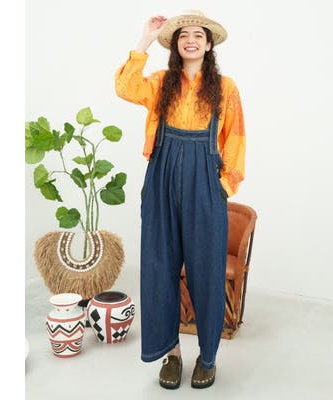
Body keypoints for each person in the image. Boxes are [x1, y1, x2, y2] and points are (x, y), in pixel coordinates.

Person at [115, 10, 246, 389]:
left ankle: (208, 357)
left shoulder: (225, 88)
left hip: (205, 181)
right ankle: (170, 354)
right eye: (183, 35)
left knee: (206, 270)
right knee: (159, 266)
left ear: (208, 44)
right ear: (175, 45)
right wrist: (144, 38)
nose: (190, 40)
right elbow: (125, 87)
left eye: (198, 35)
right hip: (161, 176)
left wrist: (222, 187)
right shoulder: (160, 83)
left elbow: (235, 139)